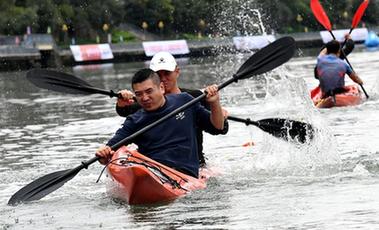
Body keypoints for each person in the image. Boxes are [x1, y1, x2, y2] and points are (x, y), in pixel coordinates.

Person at [96, 68, 228, 178]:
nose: (145, 98)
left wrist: (214, 102)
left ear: (161, 88)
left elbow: (217, 127)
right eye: (139, 94)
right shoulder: (135, 120)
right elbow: (109, 151)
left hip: (186, 175)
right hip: (152, 173)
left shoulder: (185, 101)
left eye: (149, 91)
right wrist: (103, 153)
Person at [116, 51, 228, 166]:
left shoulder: (192, 98)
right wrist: (122, 100)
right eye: (159, 75)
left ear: (177, 72)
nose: (163, 78)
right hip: (156, 167)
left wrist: (216, 107)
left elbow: (219, 128)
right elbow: (125, 111)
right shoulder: (146, 102)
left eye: (167, 73)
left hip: (194, 165)